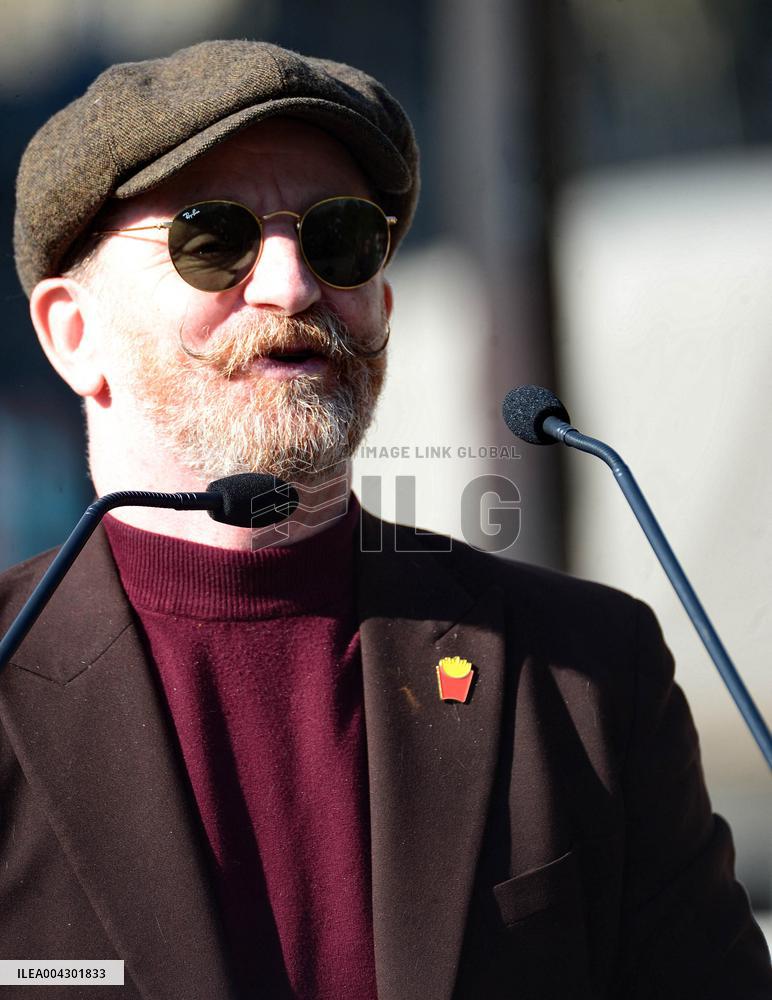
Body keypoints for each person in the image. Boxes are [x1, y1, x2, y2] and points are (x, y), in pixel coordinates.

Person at [0, 39, 769, 1000]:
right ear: (73, 334)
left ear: (383, 306)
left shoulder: (582, 675)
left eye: (341, 238)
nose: (293, 286)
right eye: (214, 238)